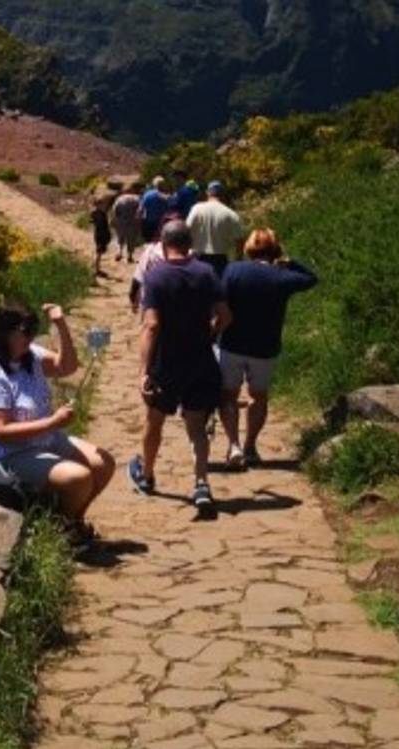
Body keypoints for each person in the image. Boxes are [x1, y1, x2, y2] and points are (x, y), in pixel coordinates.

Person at [0, 302, 115, 534]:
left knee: (103, 464)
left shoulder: (31, 356)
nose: (31, 337)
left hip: (46, 440)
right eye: (25, 332)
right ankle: (63, 529)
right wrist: (53, 422)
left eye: (33, 330)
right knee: (78, 478)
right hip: (13, 454)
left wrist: (60, 324)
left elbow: (67, 366)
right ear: (5, 333)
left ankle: (71, 523)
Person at [128, 221, 232, 517]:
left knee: (155, 420)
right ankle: (201, 482)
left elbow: (152, 324)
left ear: (162, 242)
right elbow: (225, 315)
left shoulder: (157, 276)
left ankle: (147, 475)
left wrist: (143, 370)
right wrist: (210, 334)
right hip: (200, 358)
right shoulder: (206, 272)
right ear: (190, 243)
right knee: (197, 425)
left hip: (167, 360)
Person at [217, 228, 318, 468]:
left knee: (228, 396)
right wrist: (289, 261)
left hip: (232, 342)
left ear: (249, 248)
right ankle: (251, 445)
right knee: (258, 397)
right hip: (265, 345)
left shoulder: (233, 270)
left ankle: (234, 445)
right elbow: (311, 279)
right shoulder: (281, 277)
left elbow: (220, 300)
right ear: (275, 250)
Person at [187, 181, 244, 278]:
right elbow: (239, 241)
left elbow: (185, 231)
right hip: (220, 260)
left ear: (207, 193)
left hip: (198, 257)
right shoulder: (231, 214)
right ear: (222, 194)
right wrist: (237, 261)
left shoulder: (197, 209)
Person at [111, 182, 142, 262]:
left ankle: (120, 252)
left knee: (120, 237)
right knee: (131, 239)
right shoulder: (137, 198)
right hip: (133, 222)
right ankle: (130, 255)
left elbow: (115, 210)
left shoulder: (120, 199)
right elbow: (141, 210)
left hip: (121, 220)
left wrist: (114, 220)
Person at [138, 177, 171, 242]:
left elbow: (140, 209)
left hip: (149, 223)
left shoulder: (147, 195)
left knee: (149, 243)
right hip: (161, 224)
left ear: (154, 185)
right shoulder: (165, 196)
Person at [90, 192, 113, 276]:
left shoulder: (93, 213)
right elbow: (103, 225)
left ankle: (96, 267)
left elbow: (92, 222)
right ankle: (96, 269)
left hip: (97, 233)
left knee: (98, 252)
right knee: (99, 252)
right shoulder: (101, 214)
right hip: (101, 234)